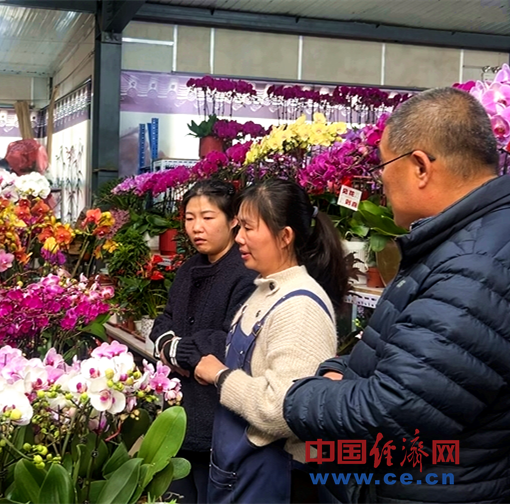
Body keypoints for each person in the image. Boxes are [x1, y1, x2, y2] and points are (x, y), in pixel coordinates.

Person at [282, 87, 510, 504]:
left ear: (420, 166)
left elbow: (396, 410)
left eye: (383, 165)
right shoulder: (465, 242)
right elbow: (405, 355)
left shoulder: (477, 265)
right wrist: (338, 369)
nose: (380, 181)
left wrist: (300, 396)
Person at [194, 178, 349, 504]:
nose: (239, 237)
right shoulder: (264, 290)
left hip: (273, 478)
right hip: (239, 470)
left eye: (248, 228)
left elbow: (284, 408)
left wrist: (221, 376)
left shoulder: (300, 306)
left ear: (285, 236)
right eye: (239, 227)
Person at [149, 179, 258, 504]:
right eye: (189, 218)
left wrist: (176, 350)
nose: (197, 227)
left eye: (208, 217)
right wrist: (174, 347)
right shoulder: (188, 269)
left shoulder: (245, 272)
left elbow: (228, 341)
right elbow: (163, 322)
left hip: (219, 422)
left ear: (233, 220)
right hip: (180, 418)